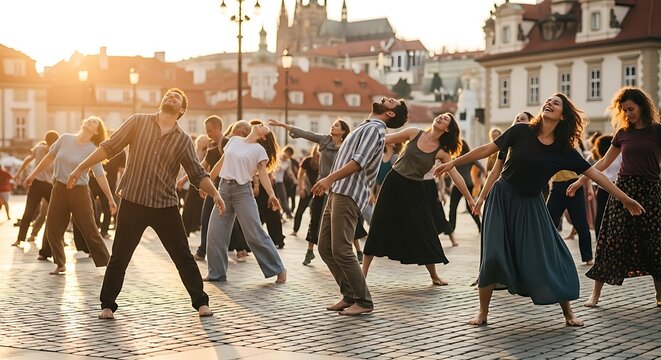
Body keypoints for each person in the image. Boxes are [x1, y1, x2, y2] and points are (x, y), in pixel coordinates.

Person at [435, 93, 644, 326]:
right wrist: (454, 162)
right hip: (502, 197)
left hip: (531, 204)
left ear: (563, 116)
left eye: (556, 103)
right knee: (493, 254)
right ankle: (482, 312)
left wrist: (624, 199)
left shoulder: (563, 150)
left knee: (550, 256)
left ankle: (569, 314)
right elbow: (486, 149)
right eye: (548, 101)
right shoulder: (520, 131)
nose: (549, 103)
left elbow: (595, 174)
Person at [67, 88, 224, 319]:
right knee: (120, 256)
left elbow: (196, 173)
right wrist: (81, 167)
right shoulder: (138, 122)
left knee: (182, 256)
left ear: (181, 110)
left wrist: (216, 194)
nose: (170, 97)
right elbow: (109, 147)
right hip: (133, 201)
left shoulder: (182, 140)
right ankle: (107, 305)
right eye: (169, 94)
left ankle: (201, 303)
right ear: (162, 101)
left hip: (165, 205)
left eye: (176, 97)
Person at [311, 97, 408, 316]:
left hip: (348, 192)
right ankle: (349, 295)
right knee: (325, 247)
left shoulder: (375, 130)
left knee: (342, 249)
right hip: (337, 191)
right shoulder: (366, 126)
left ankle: (364, 301)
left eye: (390, 101)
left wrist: (328, 179)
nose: (384, 98)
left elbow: (358, 162)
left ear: (390, 113)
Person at [566, 87, 660, 308]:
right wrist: (581, 180)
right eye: (624, 110)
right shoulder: (623, 133)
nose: (628, 114)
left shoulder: (657, 131)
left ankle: (659, 294)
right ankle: (595, 295)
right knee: (610, 242)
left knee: (655, 243)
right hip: (623, 190)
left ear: (642, 106)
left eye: (631, 109)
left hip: (651, 192)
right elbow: (604, 163)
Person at [362, 113, 473, 286]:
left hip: (414, 188)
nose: (440, 118)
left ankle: (434, 276)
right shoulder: (414, 133)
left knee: (425, 229)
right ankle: (363, 276)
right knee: (378, 225)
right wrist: (367, 126)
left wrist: (471, 199)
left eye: (445, 119)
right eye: (441, 116)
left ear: (447, 129)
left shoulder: (442, 153)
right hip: (393, 183)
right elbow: (383, 139)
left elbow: (456, 176)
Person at [24, 116, 115, 275]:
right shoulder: (65, 138)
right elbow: (49, 157)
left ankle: (107, 263)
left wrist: (110, 199)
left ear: (96, 132)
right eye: (90, 119)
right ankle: (60, 264)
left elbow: (100, 175)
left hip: (79, 192)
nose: (90, 121)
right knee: (52, 229)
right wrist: (33, 174)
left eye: (95, 122)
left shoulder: (92, 150)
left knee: (90, 229)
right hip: (58, 189)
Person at [205, 119, 287, 283]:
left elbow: (262, 174)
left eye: (264, 127)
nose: (261, 125)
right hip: (223, 190)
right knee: (214, 233)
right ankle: (216, 274)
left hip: (243, 192)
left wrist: (271, 194)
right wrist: (206, 184)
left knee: (254, 233)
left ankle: (279, 269)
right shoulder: (234, 141)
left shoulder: (259, 150)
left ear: (263, 137)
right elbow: (221, 164)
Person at [268, 118, 352, 266]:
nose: (332, 127)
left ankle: (346, 252)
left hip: (338, 188)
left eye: (336, 126)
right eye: (332, 125)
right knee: (315, 217)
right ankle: (310, 250)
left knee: (338, 222)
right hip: (320, 186)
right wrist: (283, 125)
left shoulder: (347, 146)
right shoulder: (324, 140)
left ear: (343, 131)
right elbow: (306, 133)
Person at [448, 139, 484, 234]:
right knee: (470, 207)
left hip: (458, 186)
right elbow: (482, 168)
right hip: (468, 184)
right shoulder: (470, 157)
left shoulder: (455, 158)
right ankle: (480, 226)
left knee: (453, 207)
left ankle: (451, 227)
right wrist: (482, 174)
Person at [291, 145, 319, 237]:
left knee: (315, 212)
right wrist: (300, 188)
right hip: (307, 189)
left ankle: (314, 233)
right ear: (314, 153)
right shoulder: (307, 161)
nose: (318, 156)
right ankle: (295, 230)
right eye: (316, 154)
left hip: (318, 189)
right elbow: (300, 175)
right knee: (300, 210)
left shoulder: (324, 162)